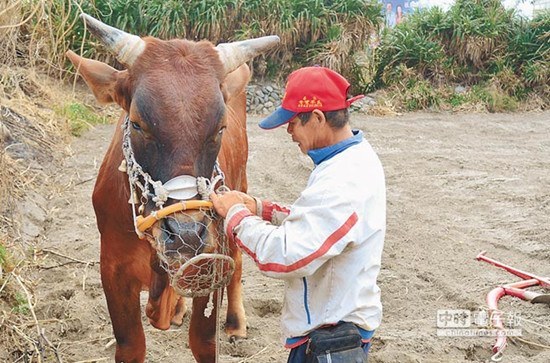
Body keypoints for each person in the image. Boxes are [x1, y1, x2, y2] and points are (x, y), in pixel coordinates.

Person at [210, 66, 386, 362]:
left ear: (317, 118)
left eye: (293, 122)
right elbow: (320, 223)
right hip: (332, 328)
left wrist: (236, 216)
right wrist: (260, 208)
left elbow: (286, 256)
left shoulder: (342, 180)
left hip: (330, 341)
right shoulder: (350, 160)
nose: (289, 132)